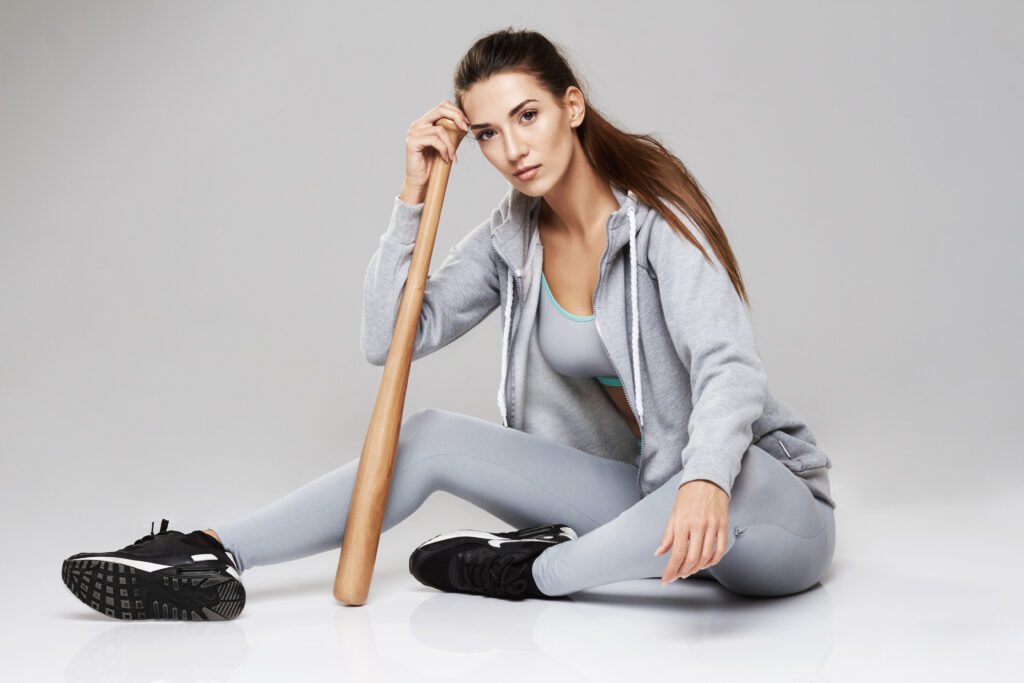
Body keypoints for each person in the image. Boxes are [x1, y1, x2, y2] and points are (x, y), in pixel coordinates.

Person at [61, 27, 836, 621]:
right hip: (639, 497)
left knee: (735, 473)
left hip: (763, 511)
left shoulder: (657, 221)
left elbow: (729, 367)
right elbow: (390, 339)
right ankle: (211, 550)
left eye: (527, 115)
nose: (513, 148)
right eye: (489, 132)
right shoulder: (514, 237)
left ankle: (538, 570)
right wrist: (411, 199)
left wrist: (703, 479)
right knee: (431, 434)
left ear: (571, 107)